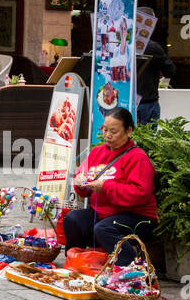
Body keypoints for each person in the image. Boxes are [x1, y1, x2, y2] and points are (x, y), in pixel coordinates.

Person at [62, 107, 158, 266]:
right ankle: (76, 264)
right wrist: (81, 182)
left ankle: (131, 269)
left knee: (103, 229)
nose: (107, 135)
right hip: (101, 214)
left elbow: (140, 194)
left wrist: (105, 187)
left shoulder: (137, 157)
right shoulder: (96, 152)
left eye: (113, 131)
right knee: (72, 220)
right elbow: (83, 183)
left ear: (128, 131)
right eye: (105, 129)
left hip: (135, 216)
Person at [134, 14, 176, 125]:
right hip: (147, 102)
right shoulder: (153, 47)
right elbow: (170, 71)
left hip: (126, 101)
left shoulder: (123, 44)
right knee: (149, 140)